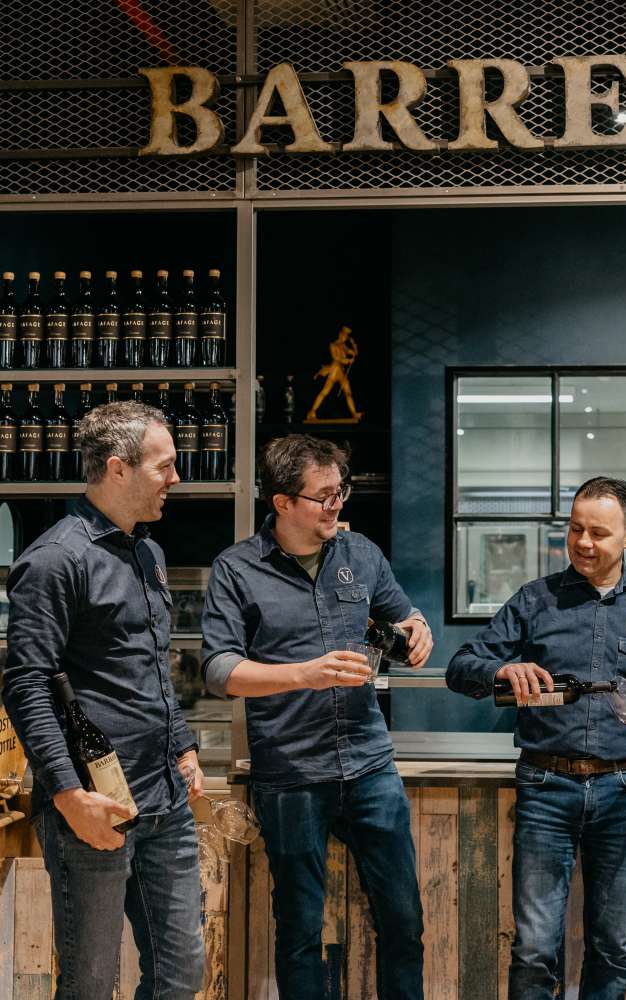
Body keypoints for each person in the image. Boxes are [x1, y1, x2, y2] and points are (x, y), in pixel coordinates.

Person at [200, 434, 432, 1000]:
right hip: (291, 773)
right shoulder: (237, 569)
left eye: (340, 491)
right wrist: (304, 673)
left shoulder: (361, 554)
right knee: (300, 930)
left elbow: (404, 617)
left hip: (370, 765)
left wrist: (417, 630)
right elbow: (219, 670)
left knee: (404, 921)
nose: (337, 504)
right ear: (283, 502)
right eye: (324, 496)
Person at [447, 476, 626, 1000]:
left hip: (623, 791)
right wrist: (502, 671)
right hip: (545, 787)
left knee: (611, 945)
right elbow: (461, 667)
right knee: (535, 948)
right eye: (575, 529)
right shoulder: (534, 600)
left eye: (598, 533)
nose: (583, 542)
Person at [2, 401, 206, 1000]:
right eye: (164, 466)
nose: (176, 479)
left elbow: (152, 667)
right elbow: (27, 685)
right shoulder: (55, 560)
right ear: (118, 468)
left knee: (181, 974)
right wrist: (69, 796)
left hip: (164, 798)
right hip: (96, 803)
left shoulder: (147, 552)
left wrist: (183, 746)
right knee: (90, 983)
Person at [306, 325, 362, 421]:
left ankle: (354, 413)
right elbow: (336, 358)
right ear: (340, 334)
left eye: (347, 336)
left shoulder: (344, 347)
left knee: (348, 393)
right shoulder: (333, 345)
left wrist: (354, 344)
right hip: (335, 370)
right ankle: (312, 411)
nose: (345, 337)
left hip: (341, 372)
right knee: (325, 392)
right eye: (344, 335)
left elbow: (355, 353)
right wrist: (347, 361)